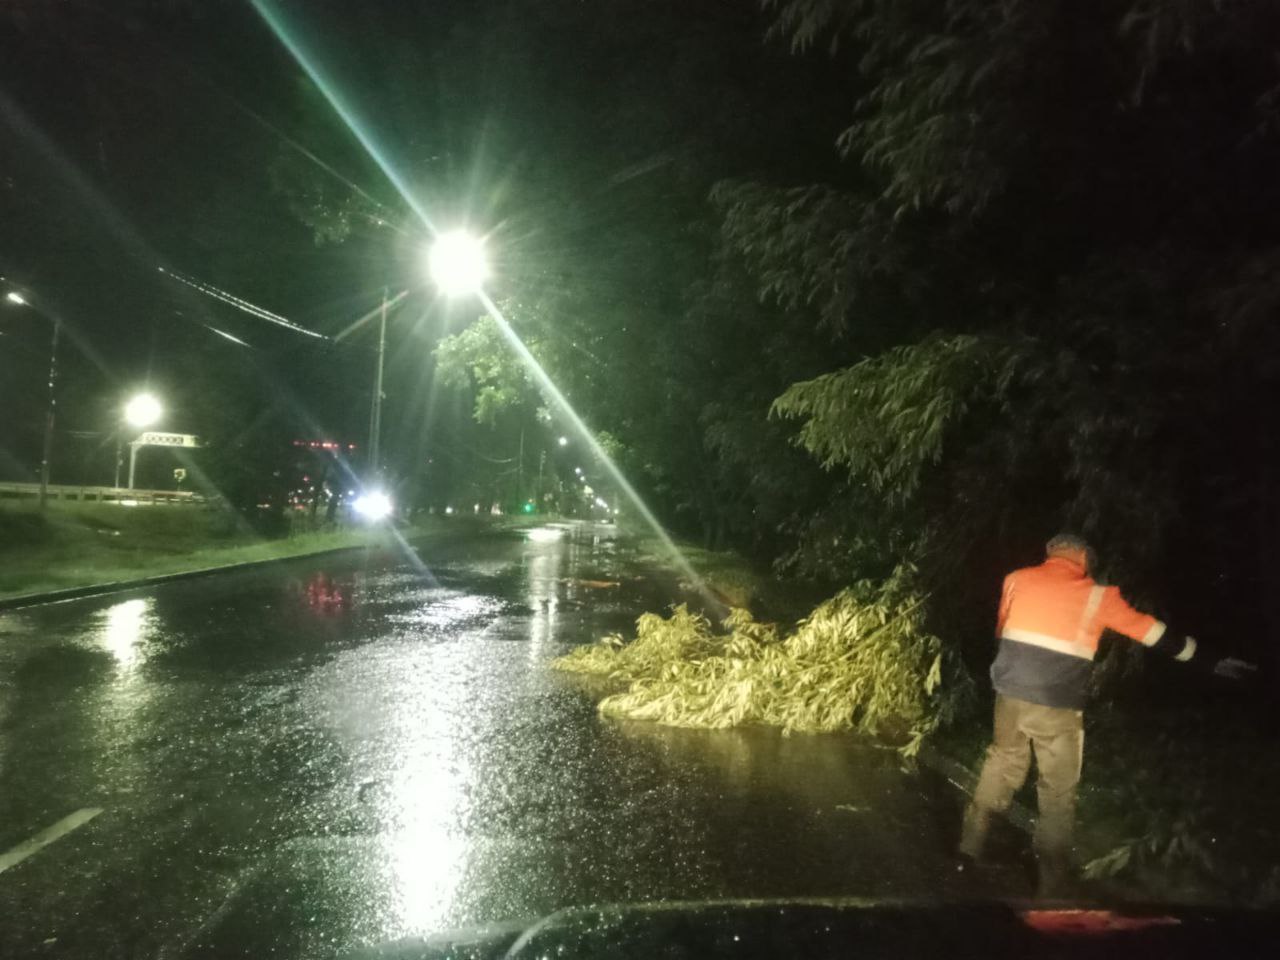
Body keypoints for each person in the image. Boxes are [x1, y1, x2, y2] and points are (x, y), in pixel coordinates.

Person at [957, 533, 1254, 896]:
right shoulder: (1098, 596)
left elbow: (1003, 630)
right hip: (1058, 705)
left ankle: (968, 850)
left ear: (1051, 553)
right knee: (1057, 793)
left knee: (1001, 764)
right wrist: (1209, 659)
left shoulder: (1016, 578)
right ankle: (1050, 887)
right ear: (1083, 558)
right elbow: (1152, 633)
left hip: (1009, 697)